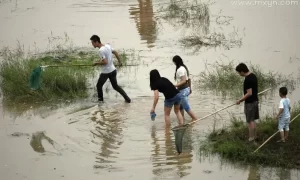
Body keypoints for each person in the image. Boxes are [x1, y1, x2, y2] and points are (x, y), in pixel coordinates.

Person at [90, 35, 131, 103]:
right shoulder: (107, 46)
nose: (92, 45)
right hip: (113, 70)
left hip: (106, 72)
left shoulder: (100, 50)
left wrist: (96, 63)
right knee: (115, 86)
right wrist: (120, 62)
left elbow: (105, 62)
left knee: (99, 86)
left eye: (92, 43)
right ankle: (127, 99)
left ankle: (100, 102)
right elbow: (115, 52)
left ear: (96, 42)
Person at [235, 63, 259, 142]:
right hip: (255, 101)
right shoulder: (253, 76)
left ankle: (251, 138)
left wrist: (240, 100)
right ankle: (255, 136)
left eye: (239, 72)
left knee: (250, 121)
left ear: (242, 71)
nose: (239, 74)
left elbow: (249, 93)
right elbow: (254, 90)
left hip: (250, 103)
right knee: (253, 120)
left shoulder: (247, 79)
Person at [172, 55, 197, 121]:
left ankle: (195, 119)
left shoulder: (180, 70)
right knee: (180, 107)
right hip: (185, 89)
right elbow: (188, 79)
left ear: (175, 62)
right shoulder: (184, 68)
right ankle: (182, 120)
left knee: (186, 107)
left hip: (183, 90)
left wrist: (175, 86)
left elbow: (183, 81)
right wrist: (190, 88)